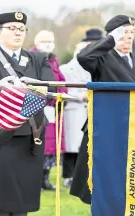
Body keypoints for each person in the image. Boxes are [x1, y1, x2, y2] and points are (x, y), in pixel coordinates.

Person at [0, 11, 55, 216]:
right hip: (0, 137)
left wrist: (22, 93)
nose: (18, 33)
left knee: (22, 203)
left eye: (22, 29)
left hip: (31, 136)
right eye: (12, 28)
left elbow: (49, 91)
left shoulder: (38, 58)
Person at [70, 15, 135, 205]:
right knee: (102, 188)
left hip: (131, 129)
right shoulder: (102, 58)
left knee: (125, 185)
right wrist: (111, 39)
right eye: (124, 33)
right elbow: (83, 57)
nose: (129, 37)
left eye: (131, 33)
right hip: (105, 130)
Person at [58, 28, 102, 188]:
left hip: (90, 108)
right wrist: (80, 95)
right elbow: (63, 90)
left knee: (85, 145)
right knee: (72, 146)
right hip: (74, 108)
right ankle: (68, 176)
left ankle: (83, 176)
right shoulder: (66, 68)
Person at [29, 30, 67, 190]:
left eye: (51, 41)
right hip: (38, 107)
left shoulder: (54, 60)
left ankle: (45, 178)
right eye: (45, 41)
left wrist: (62, 96)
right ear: (37, 43)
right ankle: (34, 179)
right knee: (38, 144)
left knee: (51, 147)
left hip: (54, 108)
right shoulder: (31, 58)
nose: (49, 44)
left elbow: (62, 81)